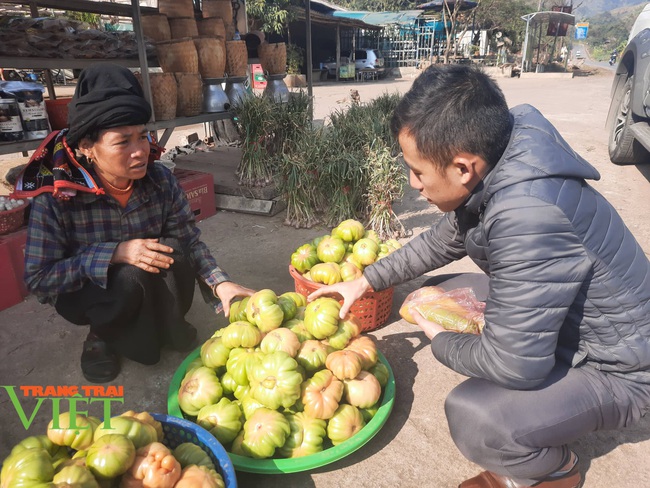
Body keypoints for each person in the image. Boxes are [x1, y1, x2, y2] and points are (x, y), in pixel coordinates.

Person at [309, 64, 650, 488]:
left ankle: (554, 472)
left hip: (623, 370)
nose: (413, 184)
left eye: (418, 172)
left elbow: (515, 365)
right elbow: (443, 239)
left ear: (462, 168)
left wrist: (441, 339)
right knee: (452, 290)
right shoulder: (506, 150)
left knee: (477, 417)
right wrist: (364, 280)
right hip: (578, 332)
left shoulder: (527, 214)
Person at [15, 64, 254, 383]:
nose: (140, 151)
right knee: (128, 276)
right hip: (93, 292)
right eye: (122, 142)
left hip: (149, 275)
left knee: (175, 250)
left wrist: (219, 283)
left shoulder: (161, 181)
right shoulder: (57, 198)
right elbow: (40, 279)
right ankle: (100, 335)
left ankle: (167, 321)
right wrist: (113, 254)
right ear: (87, 147)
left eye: (143, 136)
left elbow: (190, 241)